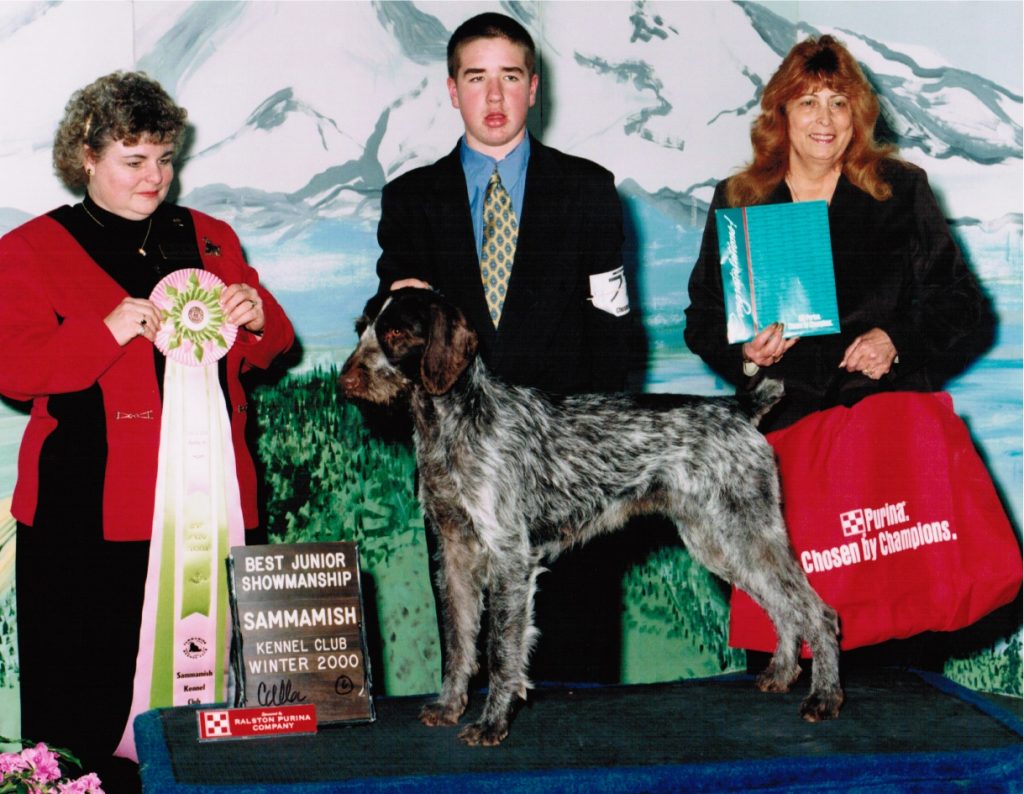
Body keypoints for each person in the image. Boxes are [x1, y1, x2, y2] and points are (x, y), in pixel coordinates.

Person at [0, 72, 294, 791]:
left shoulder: (212, 238)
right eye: (134, 160)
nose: (155, 176)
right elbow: (13, 372)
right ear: (86, 157)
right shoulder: (29, 250)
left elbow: (273, 347)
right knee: (82, 726)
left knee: (209, 717)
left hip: (210, 513)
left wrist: (257, 316)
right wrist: (104, 333)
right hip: (83, 525)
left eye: (164, 156)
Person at [374, 13, 635, 683]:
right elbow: (399, 341)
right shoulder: (408, 202)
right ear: (451, 90)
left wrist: (586, 453)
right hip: (462, 476)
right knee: (475, 677)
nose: (494, 99)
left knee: (580, 687)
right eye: (477, 79)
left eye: (510, 78)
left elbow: (614, 334)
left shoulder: (590, 190)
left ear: (534, 88)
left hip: (569, 479)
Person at [685, 35, 990, 433]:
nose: (825, 119)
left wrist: (896, 341)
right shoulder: (739, 198)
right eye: (808, 102)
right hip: (783, 422)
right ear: (782, 113)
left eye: (839, 103)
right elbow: (703, 317)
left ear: (856, 116)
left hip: (885, 415)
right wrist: (746, 355)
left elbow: (959, 298)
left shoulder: (901, 189)